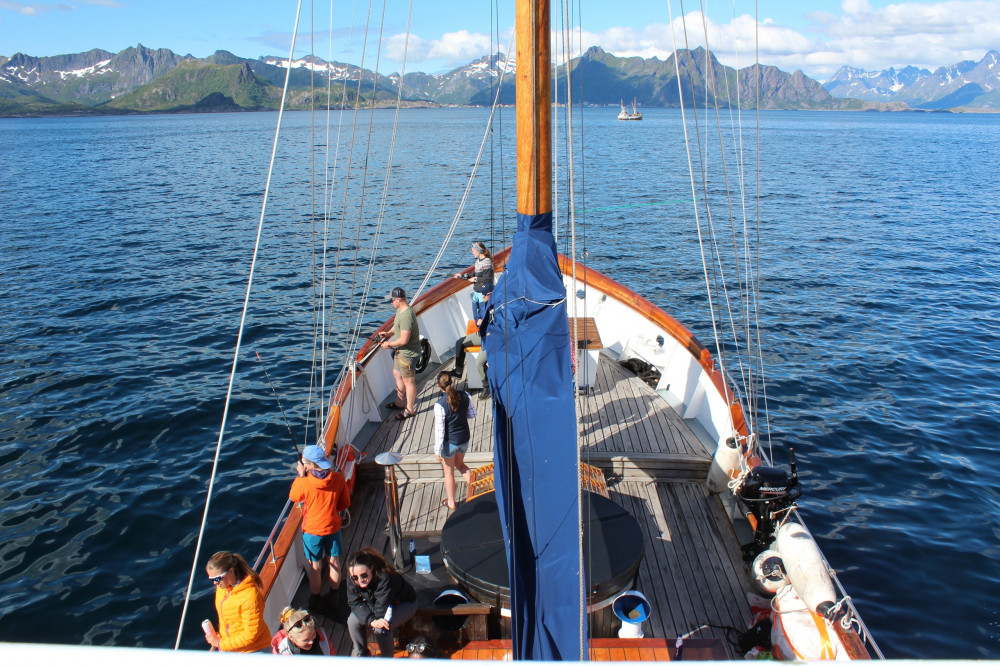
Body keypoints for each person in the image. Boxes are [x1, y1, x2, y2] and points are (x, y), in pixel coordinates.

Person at [289, 444, 351, 615]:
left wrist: (301, 475)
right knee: (335, 562)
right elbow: (345, 503)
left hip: (312, 531)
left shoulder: (305, 483)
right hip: (333, 527)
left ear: (309, 465)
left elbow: (294, 496)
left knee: (315, 566)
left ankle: (315, 599)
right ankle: (334, 596)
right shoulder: (337, 478)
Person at [345, 547, 418, 657]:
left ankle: (386, 659)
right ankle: (361, 654)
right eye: (355, 578)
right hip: (376, 605)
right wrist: (370, 619)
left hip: (403, 603)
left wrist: (371, 620)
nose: (360, 580)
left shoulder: (384, 578)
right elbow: (354, 602)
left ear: (371, 568)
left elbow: (381, 612)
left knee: (382, 628)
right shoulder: (353, 578)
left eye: (364, 575)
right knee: (352, 620)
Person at [204, 551, 271, 653]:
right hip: (230, 647)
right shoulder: (222, 588)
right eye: (211, 579)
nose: (215, 582)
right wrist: (220, 638)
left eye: (217, 578)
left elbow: (250, 635)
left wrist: (220, 643)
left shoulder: (250, 596)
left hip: (253, 650)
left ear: (231, 571)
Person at [434, 372, 475, 510]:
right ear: (452, 382)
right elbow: (472, 414)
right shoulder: (465, 395)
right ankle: (477, 490)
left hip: (449, 443)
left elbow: (440, 431)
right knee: (461, 465)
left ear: (439, 386)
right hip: (464, 438)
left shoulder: (440, 405)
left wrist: (437, 451)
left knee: (449, 471)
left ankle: (451, 503)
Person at [381, 287, 421, 421]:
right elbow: (396, 327)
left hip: (408, 354)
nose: (391, 302)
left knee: (409, 381)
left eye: (392, 300)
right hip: (400, 352)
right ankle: (399, 403)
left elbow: (404, 340)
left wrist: (389, 344)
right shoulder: (400, 311)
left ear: (398, 299)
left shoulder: (407, 315)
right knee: (397, 374)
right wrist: (388, 334)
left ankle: (410, 409)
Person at [450, 281, 491, 398]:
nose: (482, 297)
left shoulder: (496, 307)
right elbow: (478, 316)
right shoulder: (485, 304)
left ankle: (487, 387)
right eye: (482, 295)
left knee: (479, 363)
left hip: (490, 341)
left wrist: (483, 324)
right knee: (460, 342)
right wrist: (480, 323)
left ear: (491, 293)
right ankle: (458, 372)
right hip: (481, 335)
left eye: (484, 295)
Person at [453, 241, 494, 306]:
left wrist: (475, 279)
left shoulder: (487, 262)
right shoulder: (478, 262)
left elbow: (487, 279)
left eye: (473, 251)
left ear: (478, 250)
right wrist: (461, 276)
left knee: (482, 314)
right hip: (476, 292)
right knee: (476, 315)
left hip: (483, 294)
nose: (472, 253)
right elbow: (474, 274)